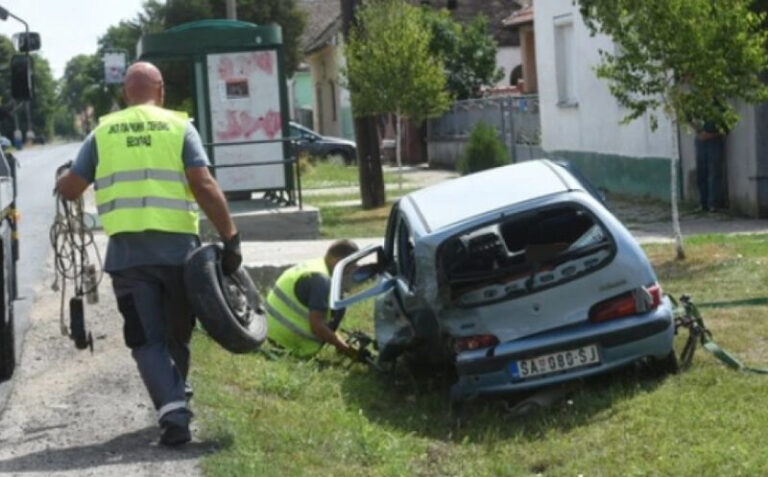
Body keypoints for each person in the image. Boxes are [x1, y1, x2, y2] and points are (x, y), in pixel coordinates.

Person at [56, 61, 242, 447]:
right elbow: (203, 184)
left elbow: (73, 189)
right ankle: (177, 399)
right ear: (161, 91)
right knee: (178, 334)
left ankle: (173, 409)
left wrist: (63, 181)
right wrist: (231, 237)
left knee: (146, 340)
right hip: (180, 257)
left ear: (126, 94)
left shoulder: (103, 132)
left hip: (129, 260)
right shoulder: (179, 127)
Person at [265, 239, 360, 358]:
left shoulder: (315, 265)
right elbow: (316, 326)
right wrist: (344, 348)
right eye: (350, 266)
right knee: (339, 304)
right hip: (285, 342)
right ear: (338, 261)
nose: (352, 271)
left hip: (269, 332)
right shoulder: (321, 280)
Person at [693, 116, 728, 212]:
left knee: (714, 173)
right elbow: (688, 118)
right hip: (700, 141)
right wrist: (697, 131)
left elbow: (726, 129)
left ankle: (713, 204)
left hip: (714, 141)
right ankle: (703, 203)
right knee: (701, 174)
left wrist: (710, 135)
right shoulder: (697, 106)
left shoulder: (717, 107)